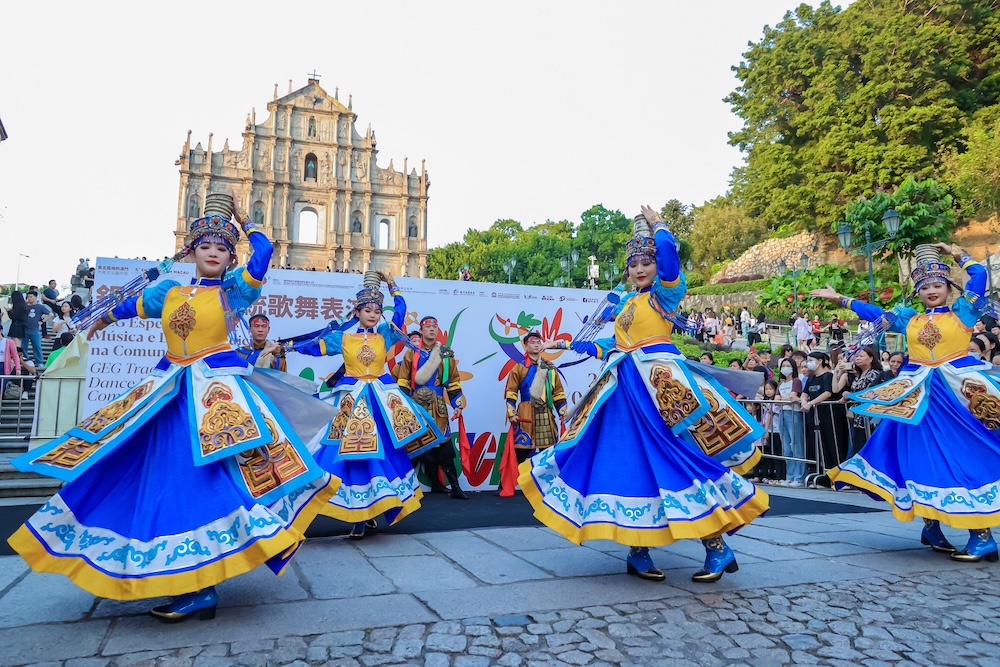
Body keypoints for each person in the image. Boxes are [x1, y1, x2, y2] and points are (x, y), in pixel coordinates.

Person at [8, 193, 339, 621]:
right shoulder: (169, 291)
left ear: (230, 256)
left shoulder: (233, 293)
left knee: (203, 481)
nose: (214, 253)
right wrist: (102, 321)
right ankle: (189, 579)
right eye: (206, 246)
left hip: (214, 396)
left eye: (222, 248)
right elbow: (131, 306)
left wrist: (245, 221)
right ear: (192, 251)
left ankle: (202, 584)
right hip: (169, 390)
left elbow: (263, 255)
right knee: (146, 471)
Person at [522, 205, 768, 583]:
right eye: (634, 263)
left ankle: (717, 546)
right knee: (630, 463)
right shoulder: (628, 302)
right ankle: (638, 552)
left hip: (660, 391)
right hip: (624, 390)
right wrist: (568, 344)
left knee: (676, 458)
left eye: (646, 263)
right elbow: (612, 345)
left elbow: (670, 264)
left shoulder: (664, 297)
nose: (640, 269)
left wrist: (660, 226)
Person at [811, 242, 1000, 562]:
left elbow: (979, 275)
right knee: (919, 461)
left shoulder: (963, 312)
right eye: (925, 287)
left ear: (948, 287)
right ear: (917, 291)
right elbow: (875, 314)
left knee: (963, 459)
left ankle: (981, 536)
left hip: (955, 400)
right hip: (917, 402)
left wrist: (956, 253)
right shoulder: (909, 319)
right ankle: (932, 527)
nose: (932, 291)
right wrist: (841, 299)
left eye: (937, 285)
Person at [281, 271, 443, 539]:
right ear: (356, 312)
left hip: (379, 401)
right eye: (367, 310)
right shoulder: (343, 338)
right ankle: (356, 514)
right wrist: (283, 348)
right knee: (348, 456)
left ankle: (368, 514)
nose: (373, 315)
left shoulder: (385, 335)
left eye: (377, 311)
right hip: (352, 399)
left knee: (378, 455)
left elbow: (400, 311)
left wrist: (392, 285)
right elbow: (312, 346)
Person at [397, 315, 469, 500]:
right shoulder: (411, 353)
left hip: (438, 405)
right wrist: (402, 405)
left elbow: (453, 382)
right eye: (428, 327)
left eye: (434, 327)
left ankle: (455, 487)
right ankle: (405, 490)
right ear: (421, 330)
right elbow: (403, 380)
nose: (431, 329)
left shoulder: (445, 354)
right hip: (416, 404)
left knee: (444, 447)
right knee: (413, 446)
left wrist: (457, 404)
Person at [504, 331, 568, 466]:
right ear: (526, 346)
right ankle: (510, 480)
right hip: (526, 414)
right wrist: (511, 413)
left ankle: (547, 480)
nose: (536, 345)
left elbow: (558, 392)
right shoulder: (519, 367)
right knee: (520, 453)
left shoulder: (549, 367)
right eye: (532, 342)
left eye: (539, 342)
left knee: (548, 454)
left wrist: (562, 413)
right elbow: (511, 391)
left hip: (545, 413)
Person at [801, 350, 849, 480]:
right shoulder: (811, 378)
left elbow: (828, 392)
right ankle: (825, 473)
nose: (809, 363)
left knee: (833, 444)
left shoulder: (828, 376)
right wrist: (804, 402)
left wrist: (811, 403)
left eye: (811, 360)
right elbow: (804, 393)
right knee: (821, 445)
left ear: (820, 361)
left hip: (829, 415)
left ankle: (837, 474)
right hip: (815, 416)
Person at [832, 346, 884, 457]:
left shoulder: (874, 374)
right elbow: (836, 389)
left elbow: (868, 394)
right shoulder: (859, 375)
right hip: (858, 419)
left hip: (869, 417)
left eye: (861, 356)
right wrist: (837, 371)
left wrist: (848, 395)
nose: (858, 358)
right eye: (856, 356)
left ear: (871, 358)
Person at [775, 357, 805, 487]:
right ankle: (790, 476)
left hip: (794, 413)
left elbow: (793, 397)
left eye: (788, 365)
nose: (785, 368)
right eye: (783, 366)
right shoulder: (781, 384)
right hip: (782, 413)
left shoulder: (796, 381)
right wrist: (785, 399)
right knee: (786, 448)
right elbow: (776, 400)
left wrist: (785, 399)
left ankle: (799, 477)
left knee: (796, 445)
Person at [21, 291, 52, 368]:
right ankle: (26, 360)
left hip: (35, 329)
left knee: (37, 347)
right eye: (28, 297)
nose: (29, 298)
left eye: (31, 297)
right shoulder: (25, 306)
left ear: (35, 297)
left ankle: (39, 362)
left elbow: (50, 314)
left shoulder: (39, 307)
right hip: (24, 329)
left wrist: (42, 321)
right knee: (23, 347)